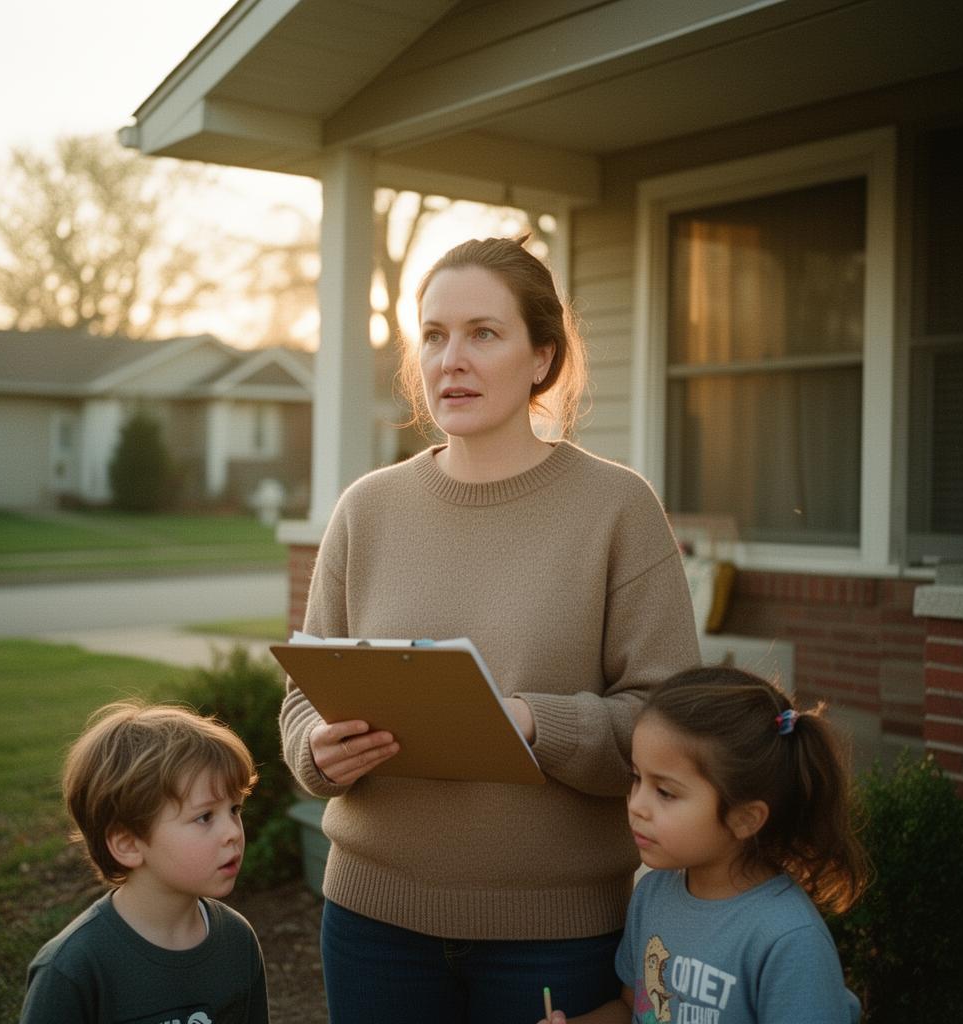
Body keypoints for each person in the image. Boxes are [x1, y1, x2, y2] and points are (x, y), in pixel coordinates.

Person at [279, 235, 701, 1023]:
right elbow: (304, 695)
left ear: (542, 357)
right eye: (434, 336)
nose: (451, 359)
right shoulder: (365, 509)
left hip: (555, 933)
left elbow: (671, 723)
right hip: (373, 923)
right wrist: (317, 749)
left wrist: (536, 722)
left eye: (483, 333)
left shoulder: (617, 509)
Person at [537, 666, 869, 1024]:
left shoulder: (789, 939)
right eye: (637, 778)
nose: (636, 804)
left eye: (665, 792)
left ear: (745, 818)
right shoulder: (652, 896)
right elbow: (634, 1009)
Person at [19, 700, 269, 1024]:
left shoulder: (236, 940)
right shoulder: (72, 969)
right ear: (128, 844)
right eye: (205, 816)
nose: (232, 833)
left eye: (235, 809)